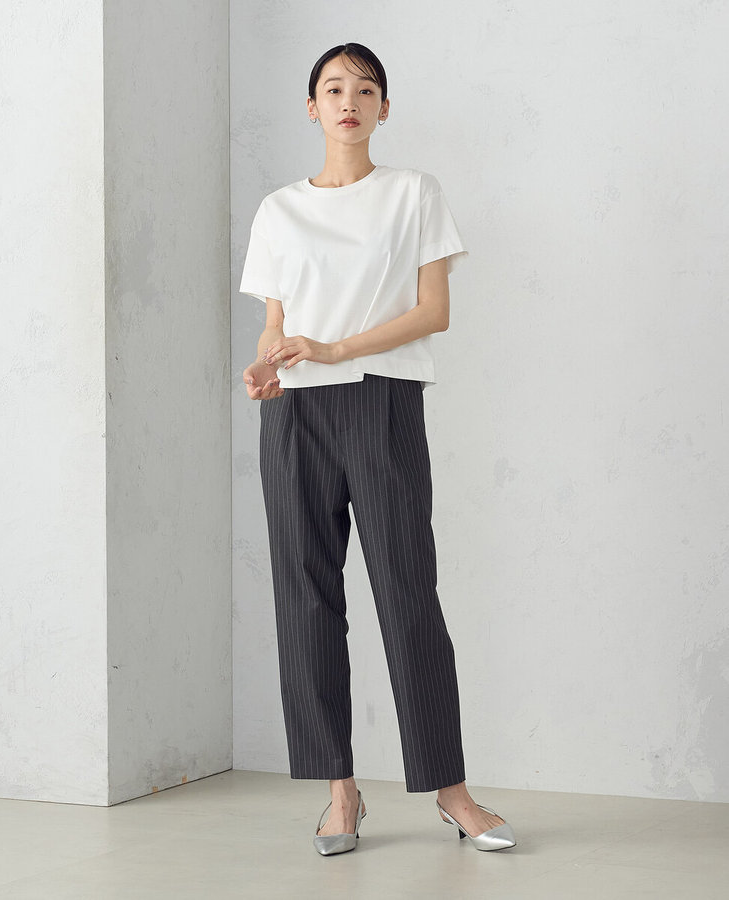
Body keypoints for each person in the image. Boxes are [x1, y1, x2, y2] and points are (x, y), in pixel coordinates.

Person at [239, 42, 517, 856]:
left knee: (406, 592)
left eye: (365, 89)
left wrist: (335, 349)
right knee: (304, 596)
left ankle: (450, 790)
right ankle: (340, 791)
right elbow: (275, 321)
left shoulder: (413, 194)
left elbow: (433, 312)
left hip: (381, 401)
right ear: (312, 107)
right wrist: (266, 365)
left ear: (384, 108)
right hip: (294, 412)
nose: (349, 101)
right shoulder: (277, 210)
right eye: (333, 89)